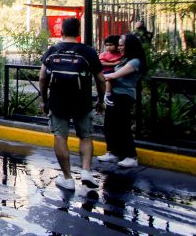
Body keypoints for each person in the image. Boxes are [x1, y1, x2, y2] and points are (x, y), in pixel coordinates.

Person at [39, 17, 106, 191]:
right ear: (79, 32)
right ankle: (86, 171)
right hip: (82, 101)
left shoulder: (53, 51)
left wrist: (44, 101)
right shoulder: (88, 52)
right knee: (86, 136)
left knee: (60, 137)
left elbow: (42, 77)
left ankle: (68, 179)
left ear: (61, 31)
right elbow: (100, 79)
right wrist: (100, 99)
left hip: (57, 101)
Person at [98, 33, 147, 168]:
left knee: (123, 126)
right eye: (118, 45)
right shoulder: (125, 60)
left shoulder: (135, 62)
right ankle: (114, 152)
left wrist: (101, 76)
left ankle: (131, 156)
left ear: (130, 45)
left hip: (124, 96)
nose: (119, 48)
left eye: (121, 45)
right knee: (110, 125)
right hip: (114, 95)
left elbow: (114, 75)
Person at [99, 34, 123, 104]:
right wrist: (113, 64)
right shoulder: (104, 54)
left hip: (117, 72)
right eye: (107, 45)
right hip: (107, 72)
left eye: (111, 45)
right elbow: (101, 63)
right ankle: (107, 95)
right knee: (109, 81)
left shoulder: (120, 54)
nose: (108, 47)